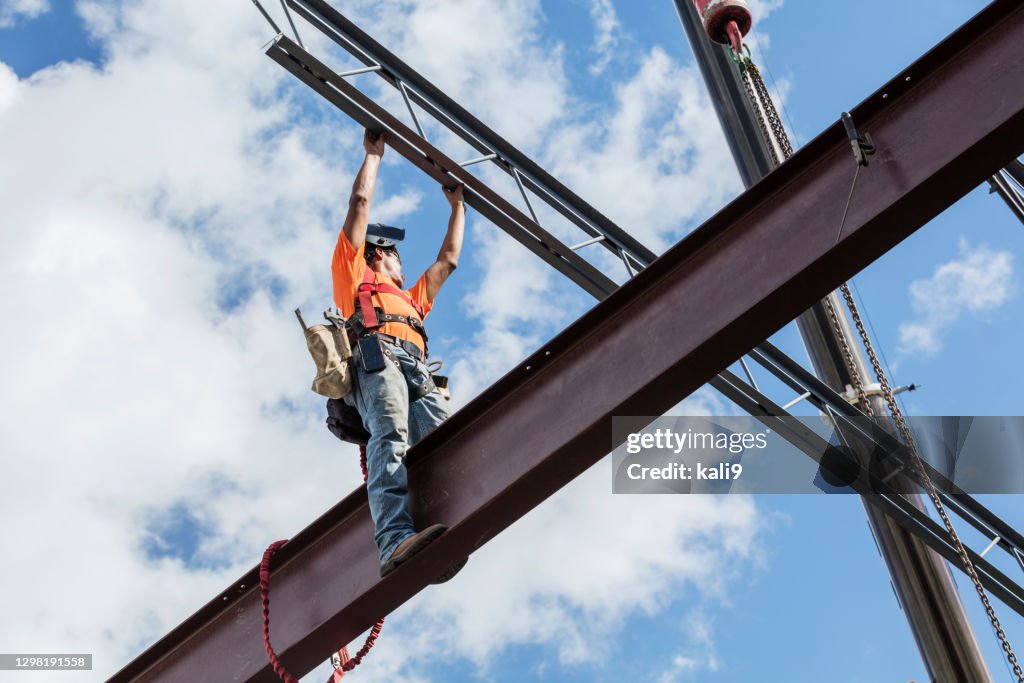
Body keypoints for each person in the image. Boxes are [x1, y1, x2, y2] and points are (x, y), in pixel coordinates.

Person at [333, 129, 466, 583]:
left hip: (417, 370)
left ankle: (453, 521)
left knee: (449, 442)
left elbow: (448, 261)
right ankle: (393, 539)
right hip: (378, 358)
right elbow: (360, 205)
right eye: (395, 255)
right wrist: (373, 156)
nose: (401, 263)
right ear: (380, 253)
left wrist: (458, 207)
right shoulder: (353, 274)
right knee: (389, 435)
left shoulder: (411, 299)